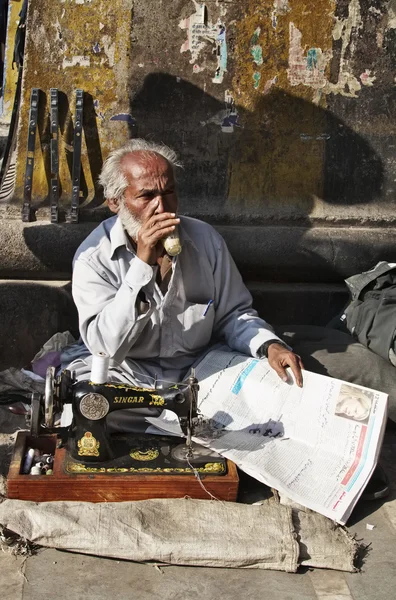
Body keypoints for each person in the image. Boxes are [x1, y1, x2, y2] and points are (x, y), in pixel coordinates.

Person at [70, 138, 304, 396]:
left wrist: (269, 345)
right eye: (146, 195)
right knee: (89, 409)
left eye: (168, 192)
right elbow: (105, 347)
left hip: (199, 372)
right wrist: (142, 265)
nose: (161, 207)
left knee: (276, 390)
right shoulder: (93, 257)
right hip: (126, 373)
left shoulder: (205, 240)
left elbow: (234, 314)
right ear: (116, 202)